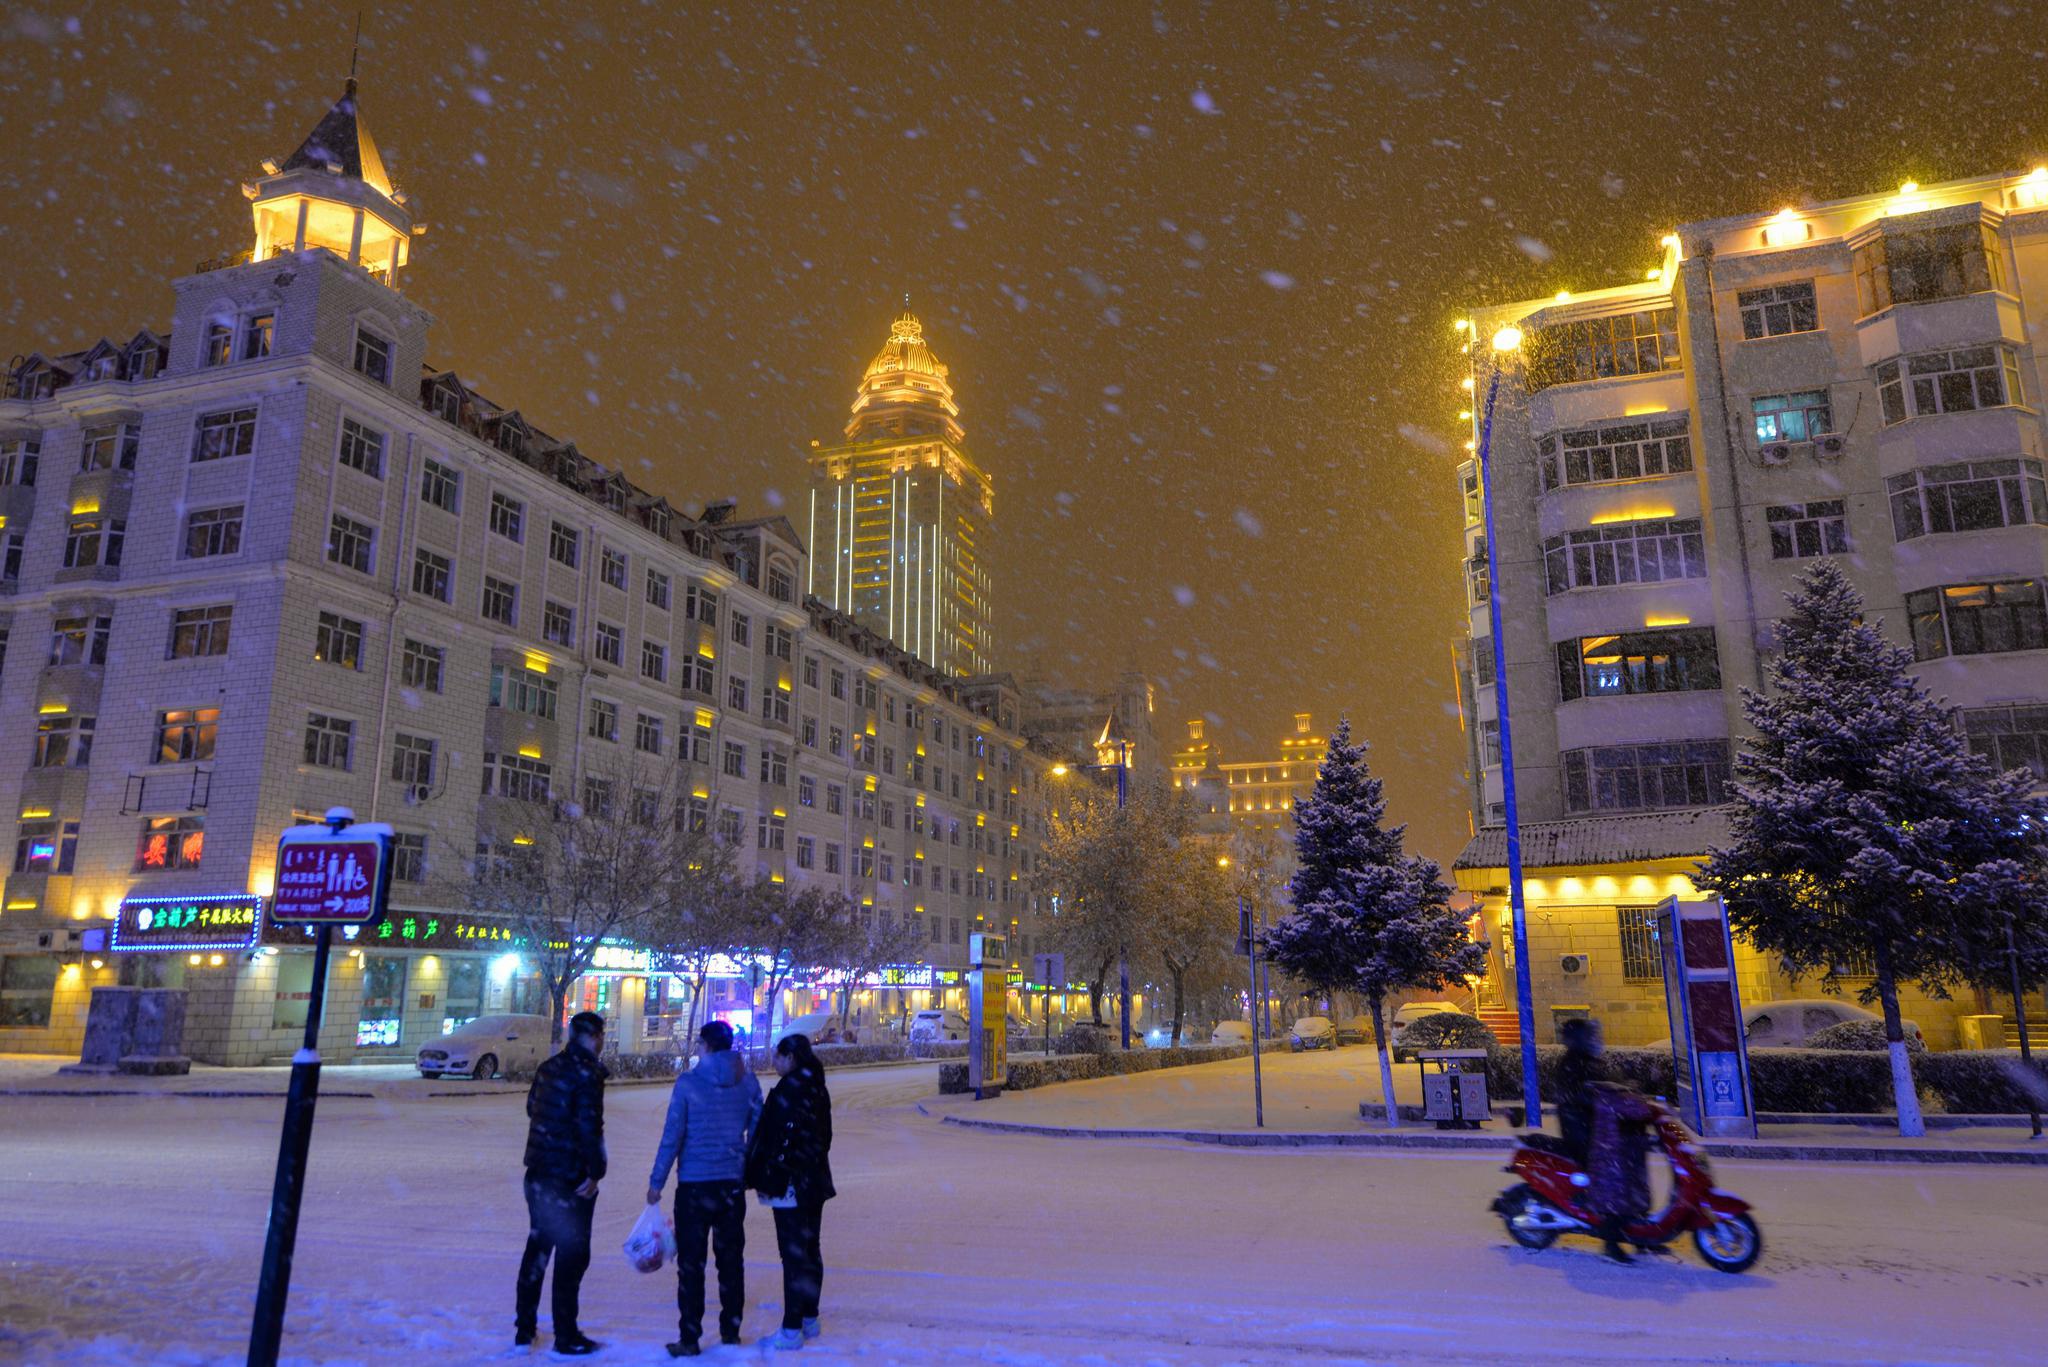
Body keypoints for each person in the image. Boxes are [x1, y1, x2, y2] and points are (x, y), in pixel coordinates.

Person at [648, 1020, 764, 1357]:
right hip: (730, 1183)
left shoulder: (688, 1084)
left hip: (694, 1187)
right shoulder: (748, 1082)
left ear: (706, 1046)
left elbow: (673, 1136)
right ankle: (730, 1329)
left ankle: (690, 1336)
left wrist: (657, 1182)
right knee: (731, 1259)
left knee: (691, 1264)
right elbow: (758, 1126)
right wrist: (742, 1156)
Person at [516, 1011, 609, 1356]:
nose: (601, 1042)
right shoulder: (588, 1073)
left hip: (539, 1171)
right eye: (600, 1035)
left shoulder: (549, 1067)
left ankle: (524, 1329)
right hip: (569, 1177)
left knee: (538, 1248)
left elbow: (532, 1108)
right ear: (594, 1036)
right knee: (572, 1255)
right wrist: (595, 1171)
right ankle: (566, 1335)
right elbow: (590, 1126)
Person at [746, 1033, 836, 1352]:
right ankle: (810, 1317)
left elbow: (779, 1137)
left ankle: (791, 1327)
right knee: (810, 1249)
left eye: (778, 1056)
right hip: (815, 1182)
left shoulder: (790, 1089)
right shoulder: (817, 1085)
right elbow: (824, 1137)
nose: (775, 1061)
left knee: (793, 1255)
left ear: (791, 1057)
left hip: (791, 1186)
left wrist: (778, 1169)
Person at [1553, 1016, 1606, 1166]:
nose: (1594, 1040)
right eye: (1589, 1036)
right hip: (1579, 1126)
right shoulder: (1575, 1062)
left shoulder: (1587, 1060)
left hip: (1587, 1123)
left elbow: (1604, 1084)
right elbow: (1575, 1092)